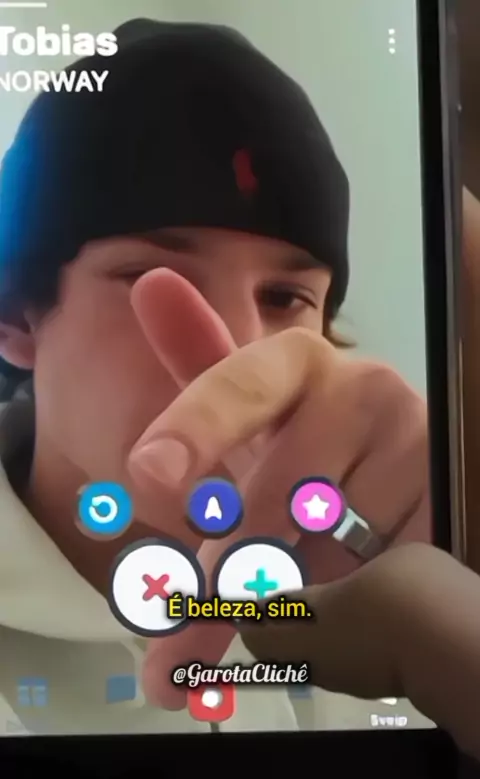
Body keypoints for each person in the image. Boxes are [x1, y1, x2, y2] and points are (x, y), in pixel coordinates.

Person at [0, 15, 432, 735]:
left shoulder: (382, 578)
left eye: (284, 298)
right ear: (16, 316)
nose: (237, 353)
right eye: (154, 281)